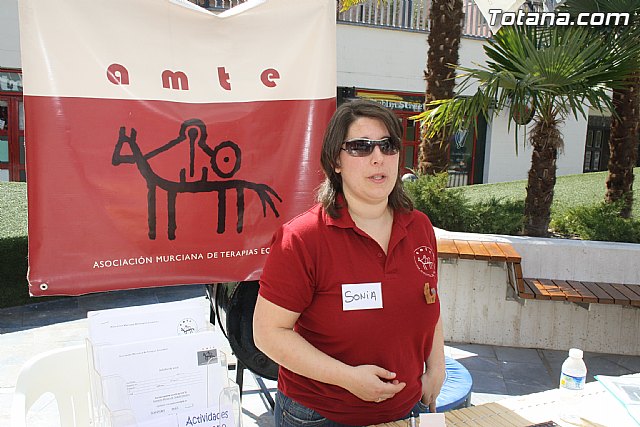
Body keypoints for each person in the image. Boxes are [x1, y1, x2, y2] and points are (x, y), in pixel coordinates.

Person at [253, 99, 444, 426]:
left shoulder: (419, 227)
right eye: (360, 147)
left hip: (406, 407)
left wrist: (436, 368)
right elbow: (268, 333)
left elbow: (428, 298)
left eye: (388, 146)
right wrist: (346, 377)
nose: (377, 158)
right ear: (336, 161)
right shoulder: (302, 238)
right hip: (320, 414)